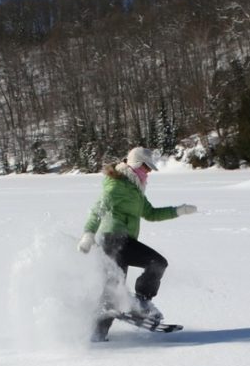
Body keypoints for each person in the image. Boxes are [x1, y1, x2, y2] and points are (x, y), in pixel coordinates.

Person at [77, 146, 197, 341]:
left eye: (149, 169)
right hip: (113, 240)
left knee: (112, 295)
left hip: (125, 241)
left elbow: (151, 214)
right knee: (157, 263)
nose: (148, 172)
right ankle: (141, 302)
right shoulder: (117, 186)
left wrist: (179, 211)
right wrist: (88, 233)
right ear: (136, 164)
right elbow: (98, 209)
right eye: (146, 167)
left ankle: (97, 337)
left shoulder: (136, 190)